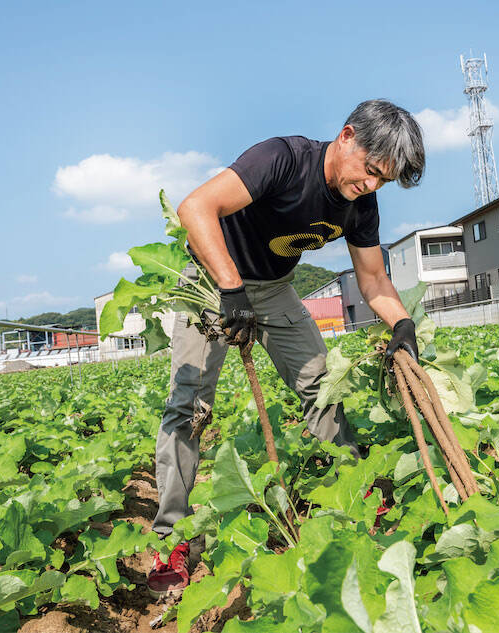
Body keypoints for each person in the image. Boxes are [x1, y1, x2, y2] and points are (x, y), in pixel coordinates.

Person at [147, 99, 425, 597]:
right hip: (213, 281)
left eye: (382, 180)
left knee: (321, 386)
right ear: (346, 137)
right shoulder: (282, 159)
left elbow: (373, 277)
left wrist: (402, 323)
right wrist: (231, 289)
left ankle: (354, 497)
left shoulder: (362, 203)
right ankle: (171, 536)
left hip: (275, 288)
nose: (371, 185)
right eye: (370, 171)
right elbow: (196, 208)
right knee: (189, 405)